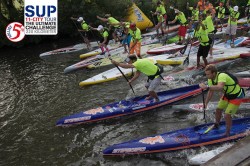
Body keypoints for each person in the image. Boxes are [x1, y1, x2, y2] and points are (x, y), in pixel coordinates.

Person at [199, 64, 245, 137]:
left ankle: (228, 133)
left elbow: (220, 87)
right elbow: (210, 91)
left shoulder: (222, 76)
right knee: (218, 109)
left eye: (208, 74)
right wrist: (205, 103)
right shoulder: (210, 79)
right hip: (227, 95)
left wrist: (207, 87)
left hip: (236, 96)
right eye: (206, 74)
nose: (207, 76)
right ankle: (217, 124)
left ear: (214, 73)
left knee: (227, 115)